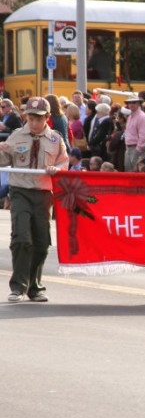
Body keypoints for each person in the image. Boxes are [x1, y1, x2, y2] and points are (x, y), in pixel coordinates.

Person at [0, 97, 69, 302]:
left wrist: (57, 169)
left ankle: (35, 286)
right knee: (21, 238)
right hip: (21, 191)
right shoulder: (16, 136)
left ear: (48, 118)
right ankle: (18, 286)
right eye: (31, 118)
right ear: (25, 117)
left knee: (41, 242)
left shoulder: (55, 140)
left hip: (44, 194)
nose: (35, 123)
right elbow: (5, 162)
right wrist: (2, 151)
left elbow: (64, 162)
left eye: (39, 118)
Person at [124, 97, 145, 172]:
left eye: (134, 102)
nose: (131, 104)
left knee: (136, 172)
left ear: (139, 103)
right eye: (130, 102)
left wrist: (138, 150)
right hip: (130, 147)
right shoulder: (130, 116)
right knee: (129, 171)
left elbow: (144, 136)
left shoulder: (141, 116)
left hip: (137, 147)